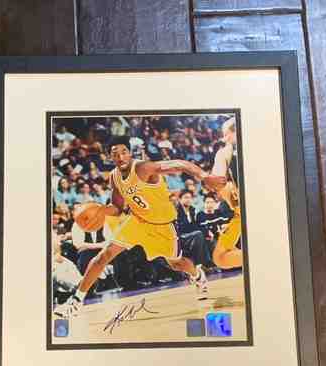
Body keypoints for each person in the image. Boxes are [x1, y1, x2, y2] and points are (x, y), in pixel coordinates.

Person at [54, 136, 226, 318]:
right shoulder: (114, 177)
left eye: (124, 152)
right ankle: (76, 301)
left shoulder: (143, 168)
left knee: (176, 264)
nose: (120, 157)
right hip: (137, 221)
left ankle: (197, 275)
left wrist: (204, 176)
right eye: (115, 154)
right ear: (110, 157)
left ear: (130, 153)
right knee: (103, 256)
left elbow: (179, 164)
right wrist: (102, 211)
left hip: (162, 225)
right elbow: (118, 208)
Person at [210, 117, 243, 269]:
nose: (224, 138)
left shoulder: (225, 152)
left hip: (243, 209)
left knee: (220, 257)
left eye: (226, 134)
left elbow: (217, 182)